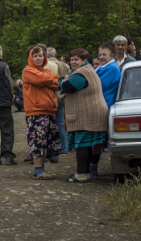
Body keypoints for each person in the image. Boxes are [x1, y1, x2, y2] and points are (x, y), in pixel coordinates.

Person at [60, 48, 109, 183]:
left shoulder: (81, 73)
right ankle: (85, 171)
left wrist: (63, 80)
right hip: (93, 113)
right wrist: (65, 79)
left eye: (77, 59)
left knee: (82, 143)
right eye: (72, 60)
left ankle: (81, 174)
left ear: (84, 60)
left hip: (86, 115)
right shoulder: (88, 70)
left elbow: (66, 88)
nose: (73, 62)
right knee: (88, 145)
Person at [22, 47, 60, 179]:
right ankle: (38, 170)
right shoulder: (28, 70)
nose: (38, 58)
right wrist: (48, 79)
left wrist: (46, 78)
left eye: (40, 56)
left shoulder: (46, 71)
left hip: (49, 110)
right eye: (35, 56)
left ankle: (42, 170)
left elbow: (57, 84)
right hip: (36, 111)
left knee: (47, 141)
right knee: (38, 141)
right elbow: (42, 80)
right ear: (31, 58)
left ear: (45, 57)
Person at [47, 47, 70, 157]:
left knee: (49, 123)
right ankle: (65, 147)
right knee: (61, 122)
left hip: (49, 97)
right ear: (55, 54)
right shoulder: (64, 65)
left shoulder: (45, 65)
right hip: (61, 96)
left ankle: (51, 147)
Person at [96, 42, 121, 108]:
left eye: (104, 55)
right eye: (100, 55)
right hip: (99, 102)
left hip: (104, 103)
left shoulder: (112, 68)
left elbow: (97, 85)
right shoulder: (103, 66)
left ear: (112, 55)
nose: (101, 57)